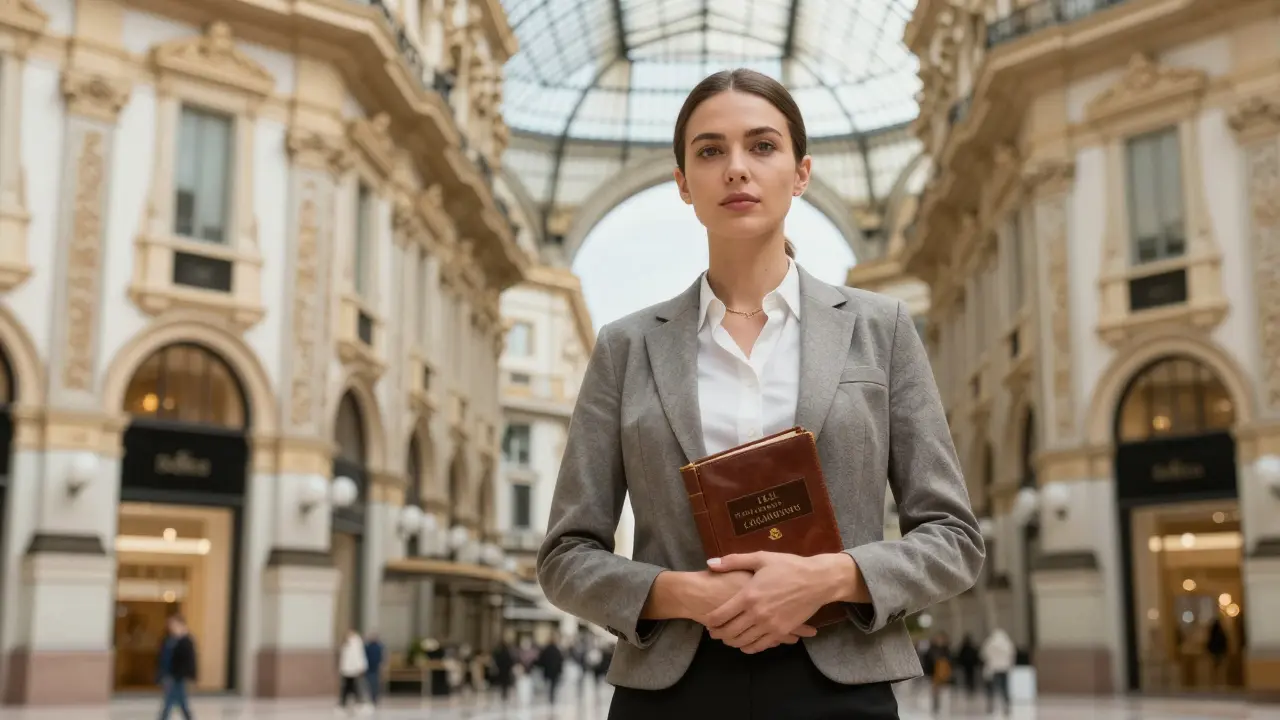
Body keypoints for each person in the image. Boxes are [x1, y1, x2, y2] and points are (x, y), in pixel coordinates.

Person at [536, 67, 984, 720]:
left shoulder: (880, 330)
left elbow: (953, 539)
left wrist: (831, 578)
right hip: (672, 690)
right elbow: (566, 557)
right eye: (710, 150)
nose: (736, 169)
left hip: (840, 686)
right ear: (684, 183)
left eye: (763, 146)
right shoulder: (626, 347)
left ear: (801, 173)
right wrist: (681, 593)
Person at [157, 615, 197, 720]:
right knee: (179, 701)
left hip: (179, 676)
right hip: (169, 674)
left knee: (171, 700)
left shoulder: (186, 641)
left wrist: (190, 675)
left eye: (174, 624)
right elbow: (163, 658)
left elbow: (190, 660)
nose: (172, 627)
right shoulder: (168, 640)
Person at [980, 628, 1016, 715]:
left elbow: (983, 655)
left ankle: (990, 706)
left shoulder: (989, 643)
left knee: (991, 689)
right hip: (1004, 669)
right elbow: (1012, 654)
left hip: (993, 669)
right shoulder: (1007, 643)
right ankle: (1006, 706)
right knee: (1005, 688)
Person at [337, 630, 368, 711]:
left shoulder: (356, 643)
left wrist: (361, 667)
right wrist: (342, 668)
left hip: (354, 670)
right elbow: (343, 658)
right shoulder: (345, 644)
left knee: (355, 686)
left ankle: (358, 702)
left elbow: (359, 656)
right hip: (346, 670)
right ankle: (344, 702)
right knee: (346, 687)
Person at [363, 632, 384, 706]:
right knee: (369, 683)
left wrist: (381, 665)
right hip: (368, 668)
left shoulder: (379, 647)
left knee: (375, 683)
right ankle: (370, 697)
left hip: (375, 668)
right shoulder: (367, 647)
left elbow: (381, 657)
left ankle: (375, 697)